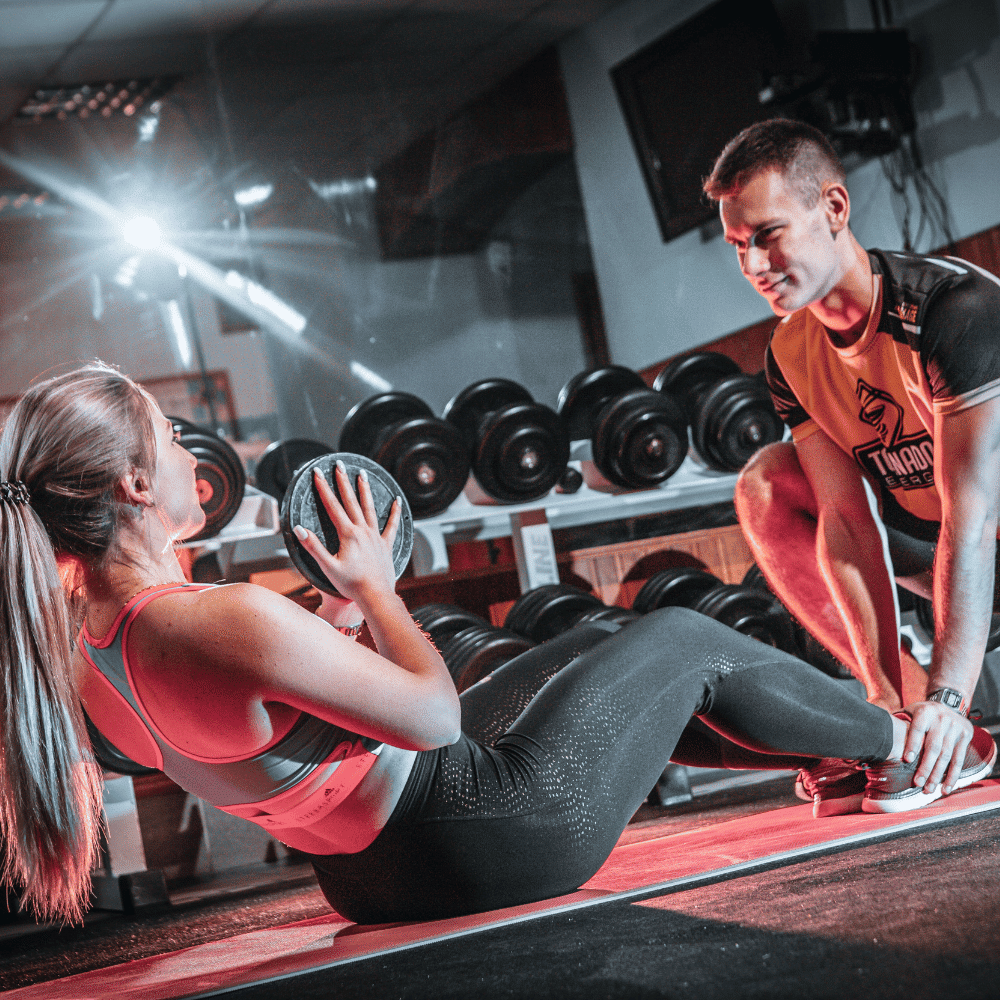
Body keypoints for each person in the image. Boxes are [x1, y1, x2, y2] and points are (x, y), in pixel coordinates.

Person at [1, 364, 993, 926]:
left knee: (570, 652)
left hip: (370, 876)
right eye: (171, 436)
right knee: (686, 639)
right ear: (135, 486)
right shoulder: (215, 616)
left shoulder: (82, 645)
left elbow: (269, 739)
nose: (187, 451)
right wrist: (374, 591)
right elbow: (430, 720)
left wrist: (340, 622)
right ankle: (915, 747)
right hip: (487, 829)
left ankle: (831, 754)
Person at [703, 118, 1000, 816]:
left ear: (833, 209)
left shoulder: (957, 312)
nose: (753, 266)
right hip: (933, 547)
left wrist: (952, 699)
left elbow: (976, 514)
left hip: (983, 530)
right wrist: (886, 704)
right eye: (738, 247)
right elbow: (844, 517)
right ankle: (898, 719)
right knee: (767, 484)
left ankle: (943, 719)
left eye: (768, 235)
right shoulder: (790, 352)